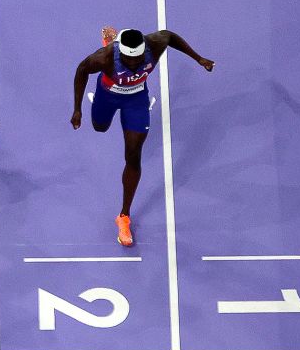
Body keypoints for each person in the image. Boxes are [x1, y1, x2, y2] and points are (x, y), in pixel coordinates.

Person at [71, 25, 213, 246]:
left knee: (133, 155)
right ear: (120, 53)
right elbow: (81, 71)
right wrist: (77, 109)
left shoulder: (153, 45)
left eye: (138, 60)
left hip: (136, 101)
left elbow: (170, 36)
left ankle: (124, 216)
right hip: (107, 96)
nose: (135, 65)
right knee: (100, 127)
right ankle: (110, 40)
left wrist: (199, 58)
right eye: (130, 61)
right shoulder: (104, 58)